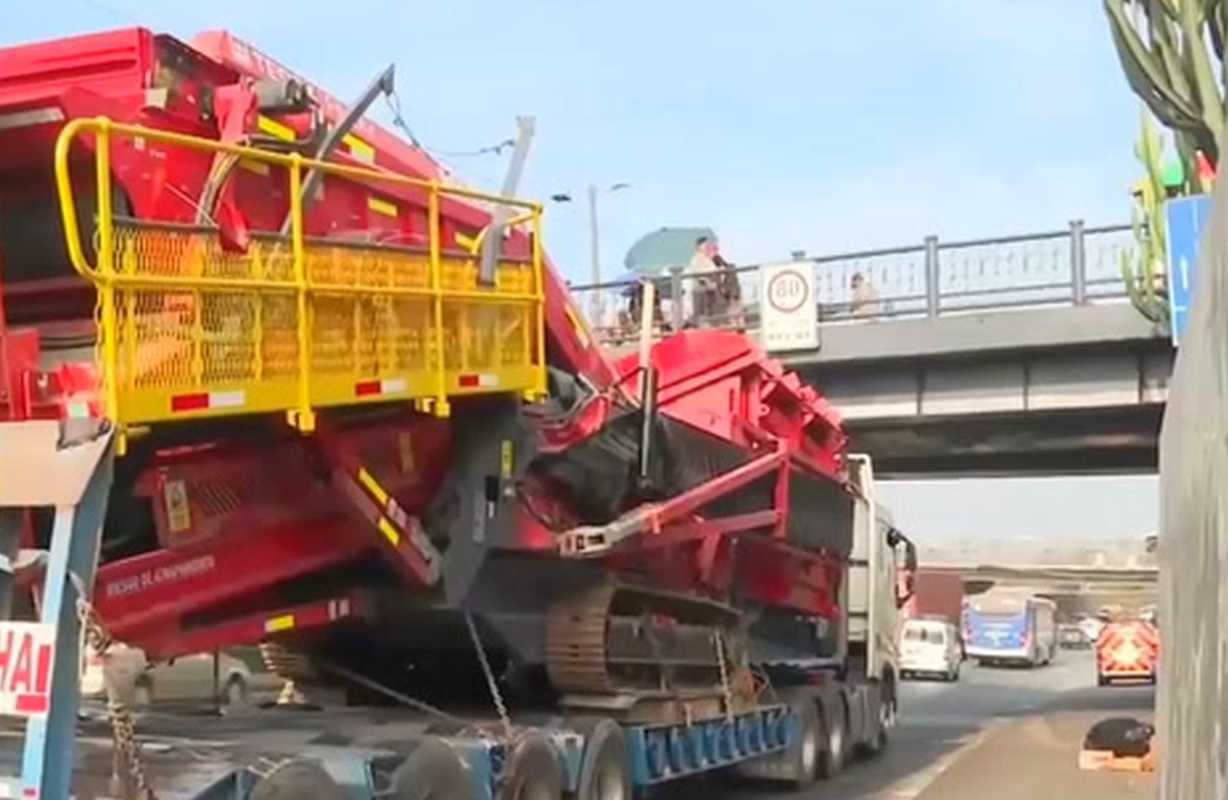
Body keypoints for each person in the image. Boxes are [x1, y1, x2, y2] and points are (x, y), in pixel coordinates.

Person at [685, 236, 720, 327]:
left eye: (706, 245)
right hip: (700, 289)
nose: (706, 247)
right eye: (704, 245)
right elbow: (697, 272)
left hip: (709, 289)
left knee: (709, 311)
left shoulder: (707, 259)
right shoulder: (696, 259)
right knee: (701, 312)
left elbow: (714, 270)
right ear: (698, 246)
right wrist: (709, 274)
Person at [713, 249, 744, 330]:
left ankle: (741, 329)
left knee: (737, 314)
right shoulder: (718, 273)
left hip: (734, 295)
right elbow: (719, 284)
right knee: (733, 315)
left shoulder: (729, 268)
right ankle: (737, 330)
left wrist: (734, 293)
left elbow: (733, 281)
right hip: (727, 296)